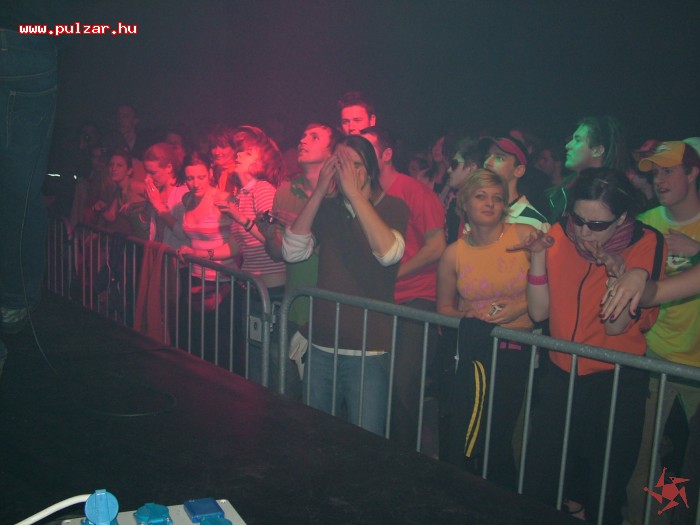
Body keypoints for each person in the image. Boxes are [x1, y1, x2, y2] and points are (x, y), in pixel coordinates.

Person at [517, 167, 666, 524]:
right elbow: (539, 313)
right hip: (559, 374)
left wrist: (618, 274)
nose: (584, 232)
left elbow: (615, 327)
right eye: (578, 219)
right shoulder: (559, 233)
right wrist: (537, 258)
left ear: (623, 217)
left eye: (597, 225)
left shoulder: (645, 241)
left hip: (615, 382)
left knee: (604, 490)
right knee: (539, 480)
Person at [282, 135, 409, 436]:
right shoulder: (328, 209)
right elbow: (292, 251)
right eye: (340, 163)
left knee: (366, 438)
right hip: (322, 344)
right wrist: (319, 192)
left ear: (371, 170)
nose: (347, 171)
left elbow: (388, 254)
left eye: (355, 165)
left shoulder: (393, 206)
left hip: (368, 349)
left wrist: (355, 195)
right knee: (317, 435)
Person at [436, 168, 537, 488]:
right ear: (465, 203)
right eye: (481, 196)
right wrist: (468, 317)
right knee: (469, 433)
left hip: (516, 350)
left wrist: (519, 308)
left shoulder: (523, 236)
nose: (490, 203)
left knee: (499, 436)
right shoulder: (454, 253)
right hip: (475, 353)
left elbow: (551, 291)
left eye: (497, 198)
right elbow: (443, 309)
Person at [620, 140, 700, 525]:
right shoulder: (646, 223)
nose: (659, 179)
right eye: (655, 173)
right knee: (644, 459)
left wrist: (697, 249)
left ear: (693, 173)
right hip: (655, 357)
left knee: (688, 464)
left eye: (668, 171)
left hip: (697, 366)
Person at [361, 125, 446, 448]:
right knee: (373, 383)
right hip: (376, 300)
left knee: (403, 386)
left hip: (415, 299)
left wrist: (394, 274)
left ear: (386, 154)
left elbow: (436, 247)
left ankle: (402, 461)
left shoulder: (414, 192)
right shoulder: (361, 195)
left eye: (368, 149)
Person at [258, 122, 341, 398]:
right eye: (303, 135)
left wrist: (301, 229)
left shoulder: (341, 193)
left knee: (325, 396)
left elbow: (346, 255)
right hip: (295, 307)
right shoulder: (285, 191)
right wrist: (270, 236)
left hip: (330, 311)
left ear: (331, 153)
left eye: (314, 137)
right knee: (284, 389)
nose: (303, 140)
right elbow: (278, 254)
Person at [0, 16, 59, 374]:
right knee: (20, 191)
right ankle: (12, 300)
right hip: (30, 43)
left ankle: (12, 299)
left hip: (29, 45)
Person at [547, 116, 629, 223]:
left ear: (597, 150)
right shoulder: (564, 189)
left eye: (577, 140)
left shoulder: (611, 195)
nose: (568, 145)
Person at [482, 134, 549, 231]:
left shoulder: (535, 223)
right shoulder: (476, 211)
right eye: (487, 156)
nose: (487, 162)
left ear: (519, 170)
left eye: (499, 158)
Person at [142, 142, 189, 249]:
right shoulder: (157, 191)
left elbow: (182, 234)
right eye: (146, 172)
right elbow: (144, 226)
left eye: (153, 173)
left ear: (169, 167)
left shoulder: (183, 194)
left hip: (176, 255)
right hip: (158, 253)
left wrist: (158, 205)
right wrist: (149, 203)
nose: (147, 178)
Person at [93, 149, 148, 238]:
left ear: (129, 171)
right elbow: (111, 216)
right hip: (137, 237)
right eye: (111, 165)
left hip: (149, 238)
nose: (114, 169)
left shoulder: (134, 186)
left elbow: (159, 197)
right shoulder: (118, 191)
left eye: (119, 165)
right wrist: (102, 208)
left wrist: (135, 205)